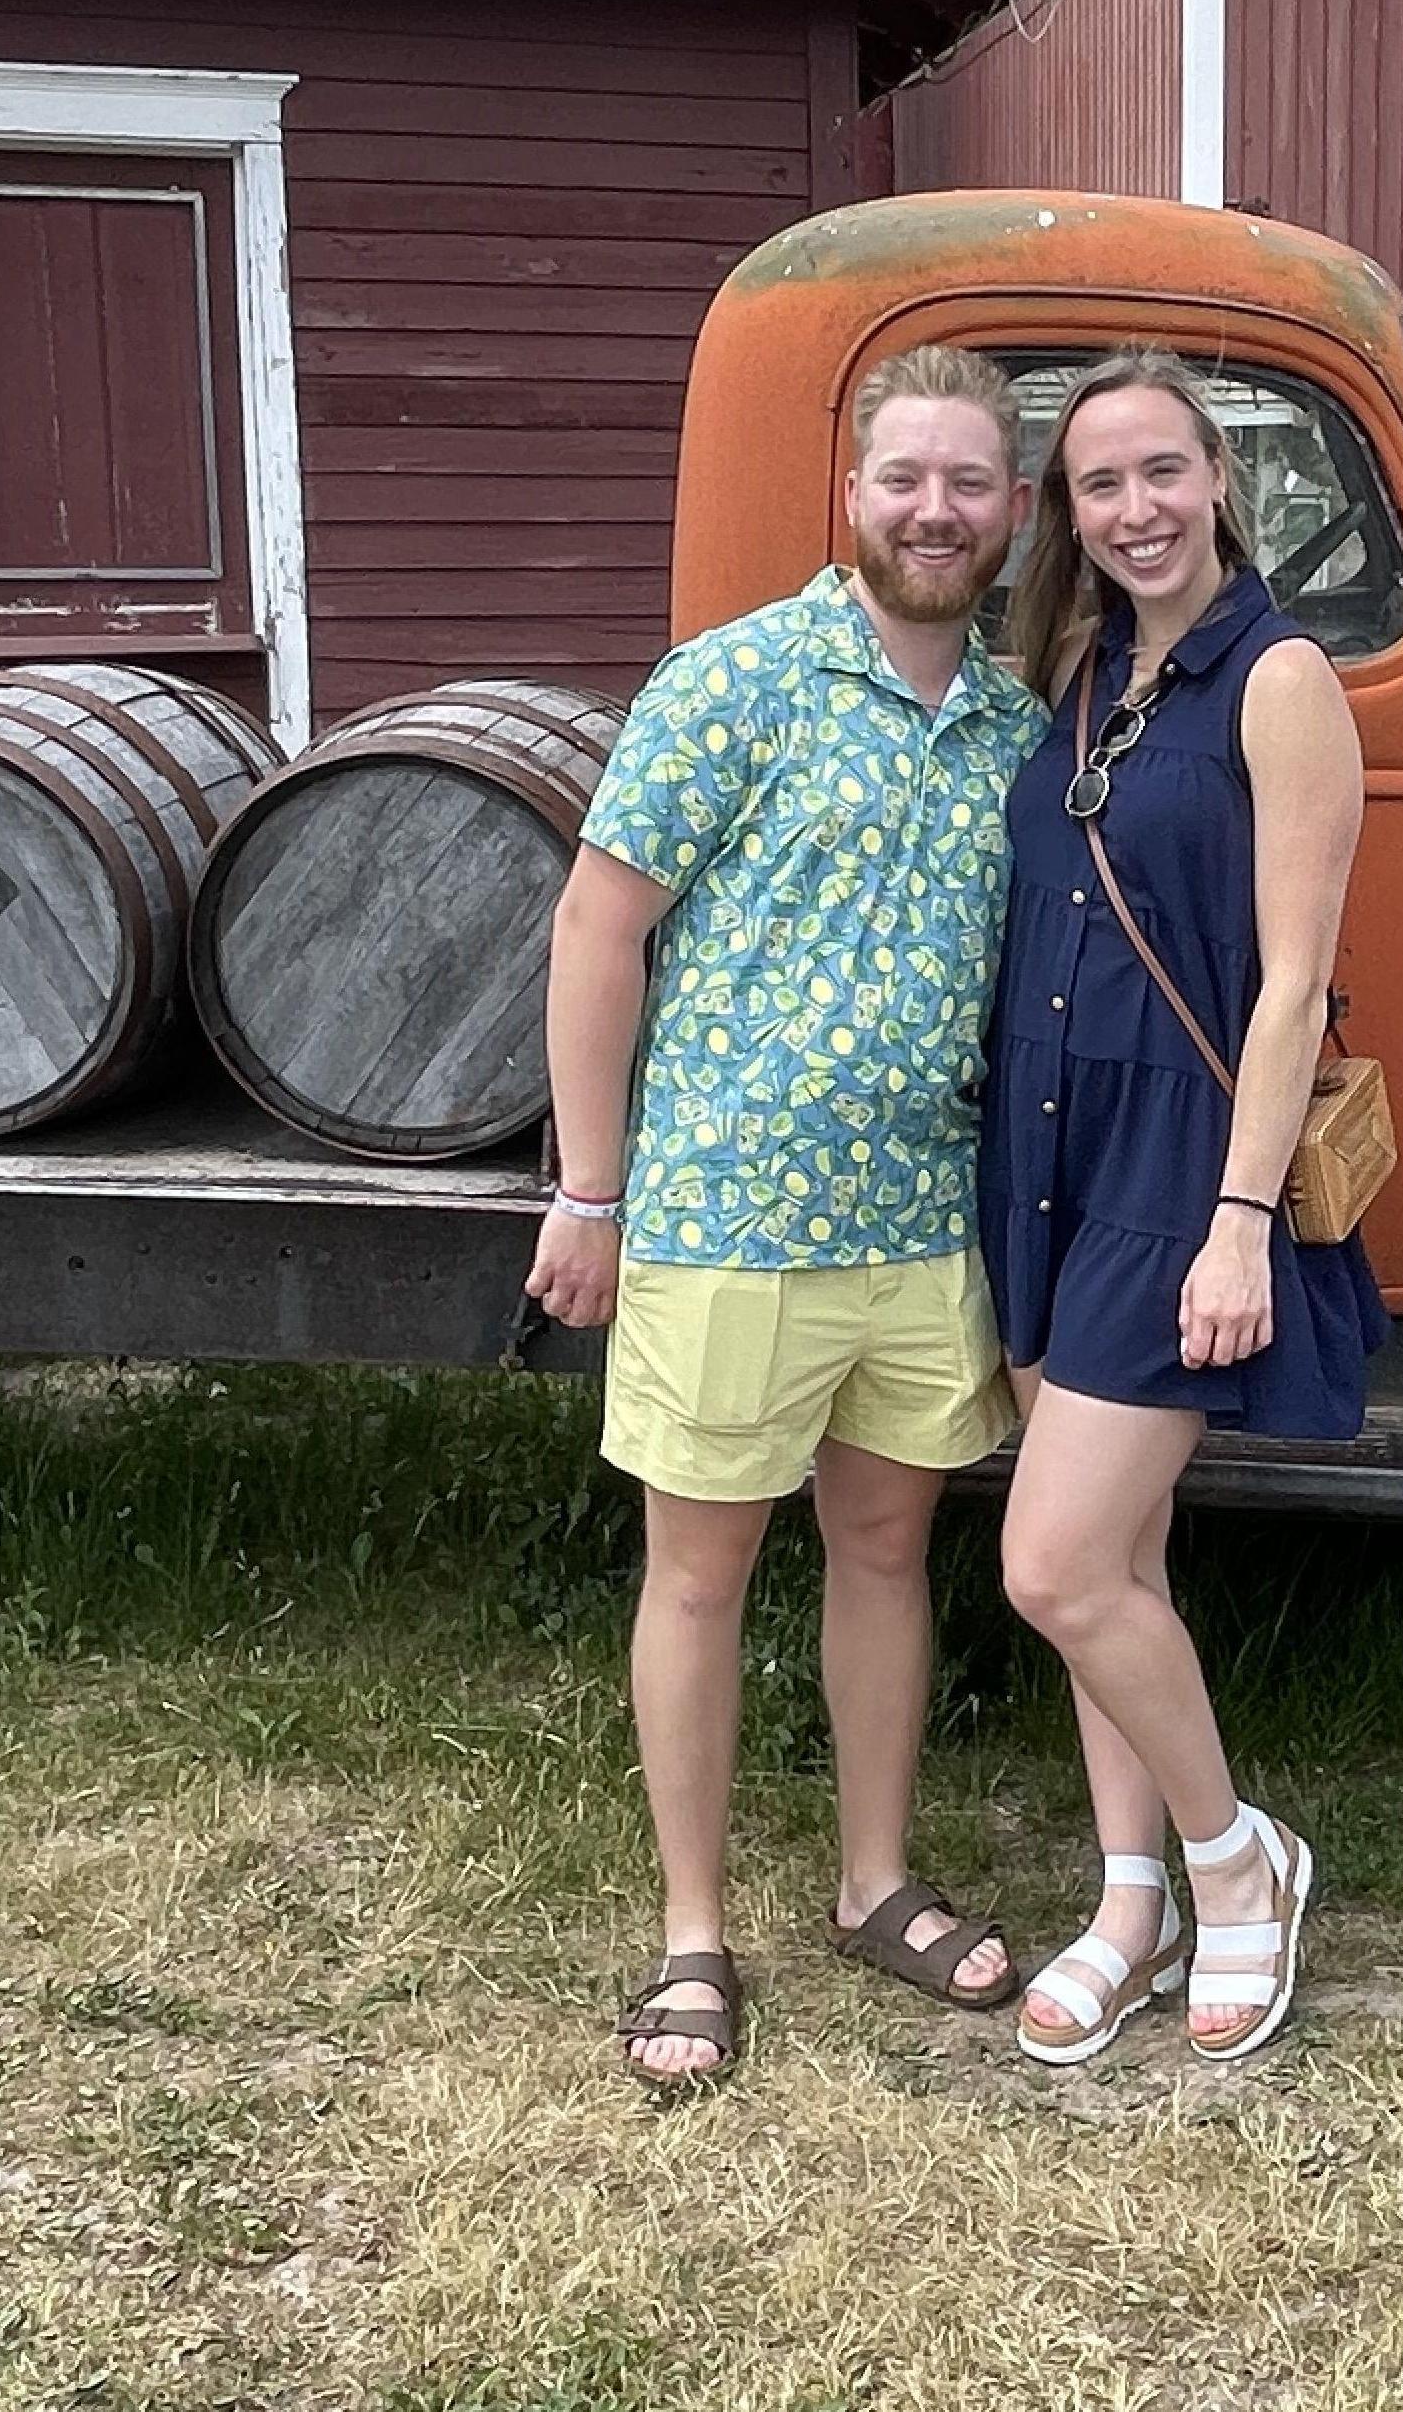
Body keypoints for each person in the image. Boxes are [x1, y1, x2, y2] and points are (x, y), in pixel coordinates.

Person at [524, 343, 1045, 2092]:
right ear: (852, 492)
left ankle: (873, 1879)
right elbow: (599, 928)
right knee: (700, 1571)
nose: (932, 510)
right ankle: (691, 1928)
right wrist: (589, 1188)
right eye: (905, 476)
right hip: (728, 1218)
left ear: (1009, 509)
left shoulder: (1015, 731)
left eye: (965, 482)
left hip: (918, 1221)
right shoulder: (734, 681)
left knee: (887, 1553)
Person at [981, 348, 1386, 2067]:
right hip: (1045, 1152)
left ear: (1218, 475)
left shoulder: (1277, 678)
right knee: (1121, 1561)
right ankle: (1128, 1896)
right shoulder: (1086, 671)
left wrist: (1239, 1217)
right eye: (1100, 483)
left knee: (1055, 1561)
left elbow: (1293, 985)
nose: (1135, 508)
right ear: (1067, 512)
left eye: (1161, 470)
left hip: (1175, 1163)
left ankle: (1237, 1864)